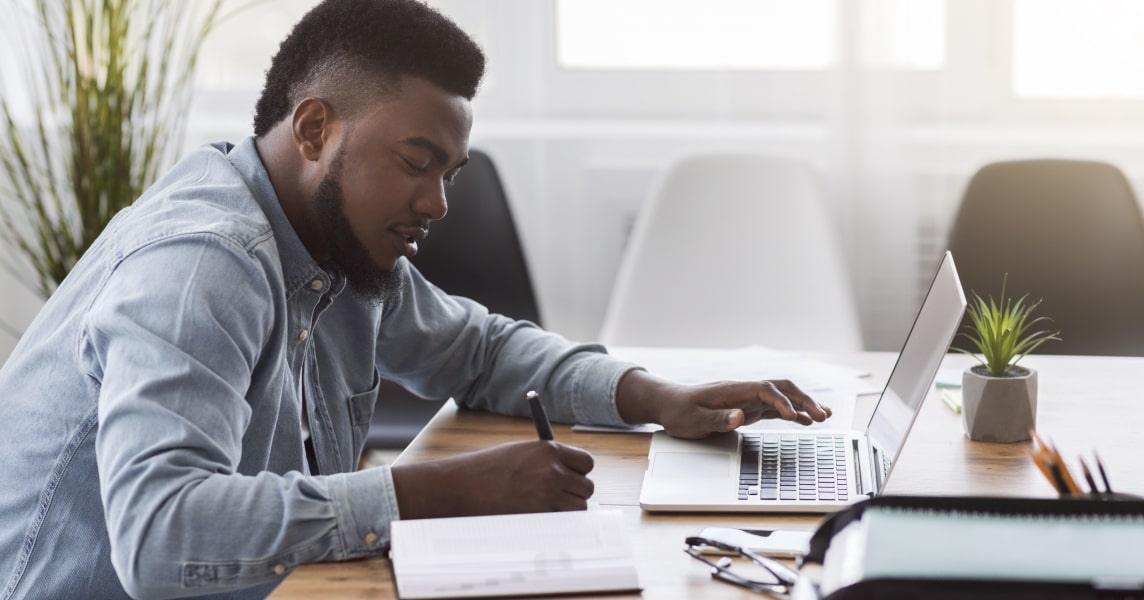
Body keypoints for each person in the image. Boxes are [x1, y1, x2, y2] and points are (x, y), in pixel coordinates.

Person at [0, 1, 830, 598]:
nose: (437, 204)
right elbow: (162, 539)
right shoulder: (202, 266)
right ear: (316, 129)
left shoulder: (336, 251)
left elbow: (482, 349)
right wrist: (444, 492)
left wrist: (659, 398)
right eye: (415, 161)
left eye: (450, 174)